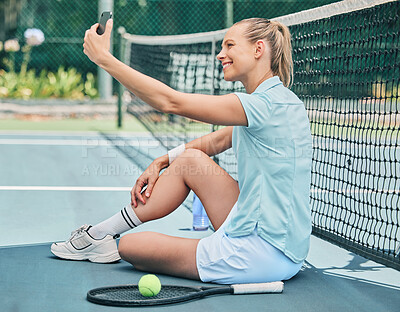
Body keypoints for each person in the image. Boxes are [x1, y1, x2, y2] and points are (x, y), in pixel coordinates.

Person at [51, 17, 312, 284]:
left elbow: (169, 102)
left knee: (131, 246)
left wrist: (103, 58)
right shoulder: (282, 101)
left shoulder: (262, 105)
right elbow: (216, 141)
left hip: (261, 253)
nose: (221, 54)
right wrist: (161, 161)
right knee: (190, 159)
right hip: (284, 243)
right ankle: (100, 234)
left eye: (230, 45)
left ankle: (99, 237)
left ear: (258, 50)